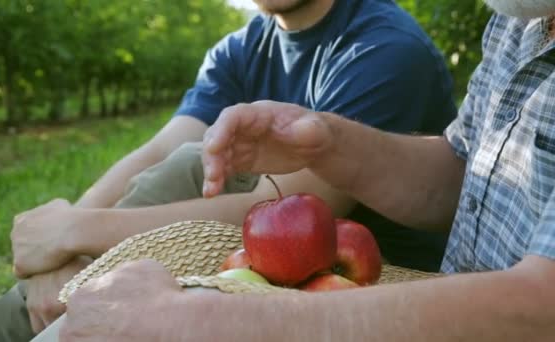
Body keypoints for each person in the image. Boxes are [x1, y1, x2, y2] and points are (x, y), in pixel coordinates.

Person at [0, 0, 456, 341]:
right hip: (258, 264)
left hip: (360, 282)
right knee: (182, 163)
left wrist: (76, 231)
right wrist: (56, 249)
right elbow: (159, 149)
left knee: (190, 170)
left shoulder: (383, 50)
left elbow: (303, 217)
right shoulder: (241, 49)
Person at [55, 0, 555, 340]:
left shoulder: (383, 45)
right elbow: (464, 177)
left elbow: (541, 311)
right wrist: (332, 144)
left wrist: (203, 322)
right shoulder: (519, 21)